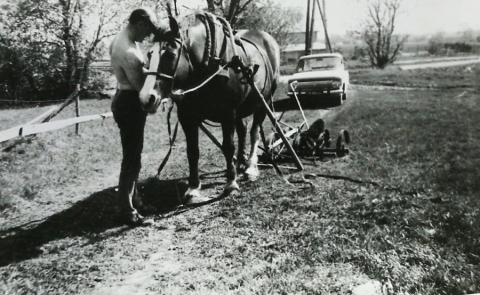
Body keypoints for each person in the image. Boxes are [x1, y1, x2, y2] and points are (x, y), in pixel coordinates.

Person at [109, 7, 162, 226]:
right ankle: (126, 210)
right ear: (140, 24)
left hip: (123, 98)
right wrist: (163, 96)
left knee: (134, 155)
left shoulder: (119, 40)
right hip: (130, 103)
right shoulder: (128, 51)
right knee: (131, 158)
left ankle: (134, 200)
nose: (147, 37)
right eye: (147, 32)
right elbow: (143, 93)